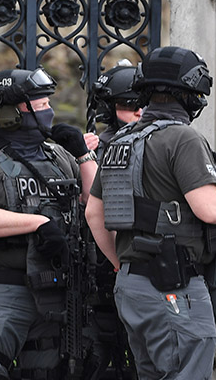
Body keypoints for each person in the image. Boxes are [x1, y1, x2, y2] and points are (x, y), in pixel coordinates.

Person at [84, 46, 216, 380]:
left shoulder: (121, 139)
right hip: (173, 286)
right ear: (191, 93)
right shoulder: (182, 137)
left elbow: (94, 212)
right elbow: (210, 209)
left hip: (133, 286)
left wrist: (121, 264)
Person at [0, 67, 98, 379]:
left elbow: (95, 205)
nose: (48, 111)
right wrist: (37, 223)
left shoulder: (57, 154)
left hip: (59, 292)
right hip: (7, 287)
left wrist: (83, 157)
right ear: (9, 113)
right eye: (40, 105)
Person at [83, 62, 142, 379]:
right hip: (106, 270)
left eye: (141, 105)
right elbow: (91, 210)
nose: (137, 114)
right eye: (128, 106)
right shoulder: (98, 148)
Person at [87, 61, 142, 159]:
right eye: (130, 104)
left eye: (146, 104)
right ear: (108, 108)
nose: (140, 112)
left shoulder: (164, 142)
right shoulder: (93, 150)